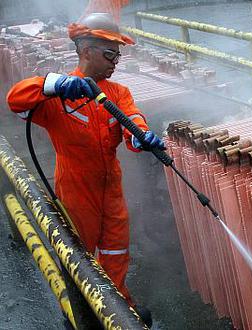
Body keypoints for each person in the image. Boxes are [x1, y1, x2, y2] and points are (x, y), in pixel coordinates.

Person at [5, 12, 160, 326]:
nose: (115, 60)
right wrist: (55, 85)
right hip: (76, 189)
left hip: (111, 187)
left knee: (116, 252)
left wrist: (141, 136)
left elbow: (131, 119)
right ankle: (81, 314)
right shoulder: (57, 99)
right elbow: (15, 100)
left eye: (118, 53)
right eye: (109, 53)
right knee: (79, 256)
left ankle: (119, 307)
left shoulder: (118, 94)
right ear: (86, 50)